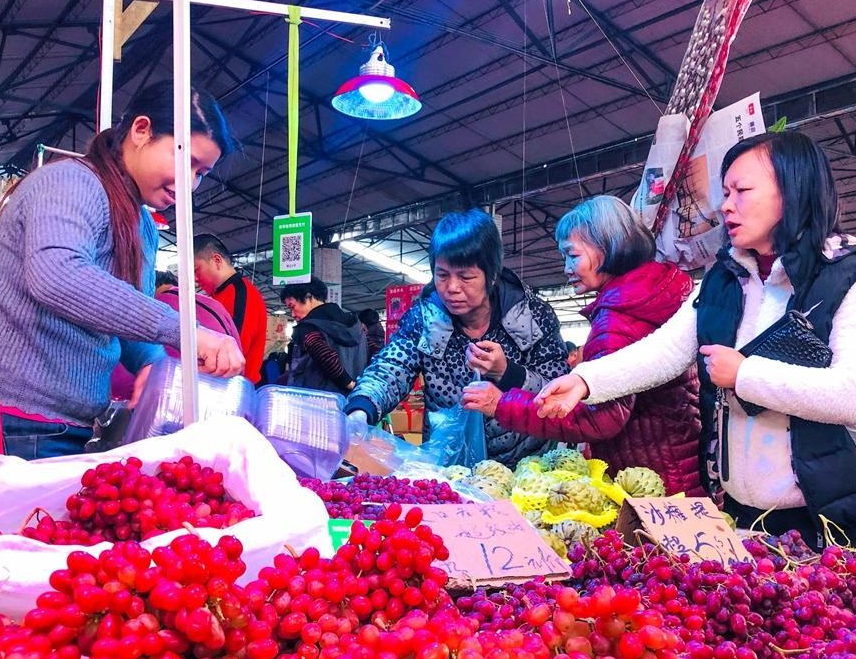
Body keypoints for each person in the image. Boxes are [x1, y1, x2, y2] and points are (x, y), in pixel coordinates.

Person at [533, 131, 856, 544]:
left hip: (827, 518)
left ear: (793, 191)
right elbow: (669, 349)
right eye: (725, 192)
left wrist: (744, 375)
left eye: (742, 191)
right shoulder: (728, 275)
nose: (726, 205)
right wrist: (587, 381)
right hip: (742, 513)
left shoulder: (849, 274)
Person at [0, 83, 244, 460]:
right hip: (12, 423)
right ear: (141, 131)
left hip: (70, 427)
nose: (190, 183)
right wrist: (187, 333)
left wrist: (153, 366)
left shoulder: (141, 224)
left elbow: (125, 317)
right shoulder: (70, 183)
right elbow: (57, 275)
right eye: (185, 160)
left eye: (202, 173)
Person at [462, 196, 701, 495]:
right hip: (678, 462)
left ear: (607, 246)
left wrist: (502, 404)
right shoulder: (653, 296)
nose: (566, 268)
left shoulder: (619, 319)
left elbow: (600, 417)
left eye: (572, 255)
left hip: (649, 482)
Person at [346, 209, 570, 468]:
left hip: (524, 467)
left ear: (492, 275)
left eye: (465, 276)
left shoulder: (532, 316)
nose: (452, 287)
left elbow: (557, 391)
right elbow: (391, 368)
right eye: (442, 275)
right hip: (451, 466)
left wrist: (508, 373)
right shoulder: (424, 318)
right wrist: (362, 408)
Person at [110, 270, 243, 400]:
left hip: (166, 403)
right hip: (227, 397)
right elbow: (237, 354)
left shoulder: (152, 309)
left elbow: (120, 382)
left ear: (152, 286)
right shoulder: (215, 305)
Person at [193, 233, 268, 384]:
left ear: (216, 260)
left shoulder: (241, 293)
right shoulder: (218, 296)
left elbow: (236, 350)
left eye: (196, 270)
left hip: (235, 388)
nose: (194, 278)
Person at [281, 279, 368, 393]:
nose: (292, 314)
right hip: (353, 401)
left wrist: (349, 383)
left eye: (292, 306)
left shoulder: (308, 327)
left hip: (318, 401)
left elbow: (322, 353)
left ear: (309, 297)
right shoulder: (356, 325)